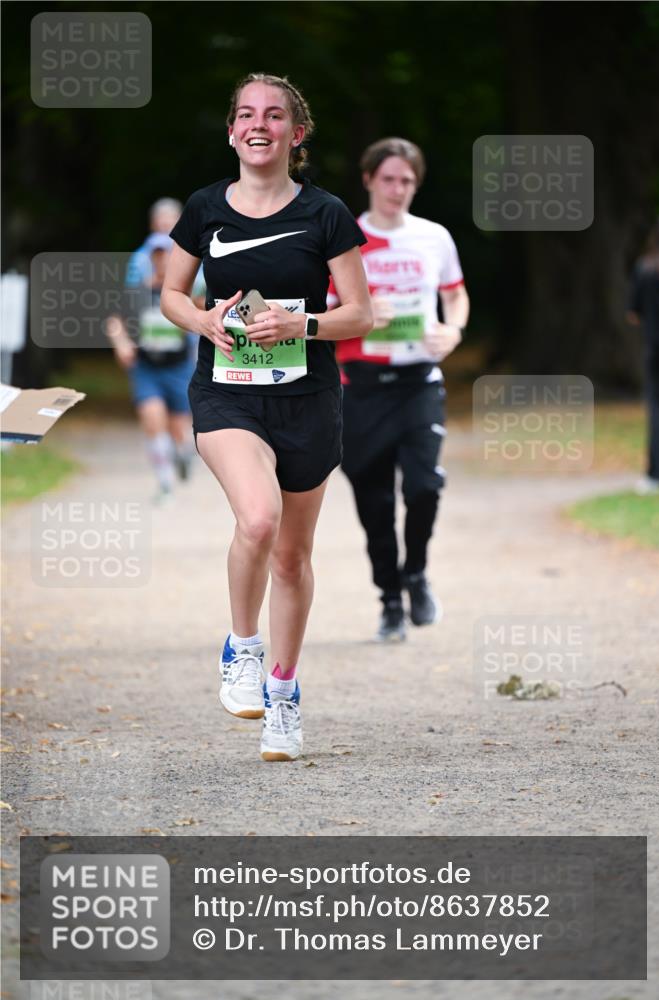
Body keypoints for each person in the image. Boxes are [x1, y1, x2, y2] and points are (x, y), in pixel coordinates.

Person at [161, 73, 372, 761]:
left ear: (295, 133)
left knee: (291, 556)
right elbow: (171, 294)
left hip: (308, 398)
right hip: (226, 392)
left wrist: (301, 323)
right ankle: (241, 650)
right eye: (246, 115)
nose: (260, 124)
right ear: (231, 131)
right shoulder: (202, 209)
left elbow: (359, 313)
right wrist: (201, 318)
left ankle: (283, 693)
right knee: (257, 518)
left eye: (274, 115)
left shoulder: (327, 213)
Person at [330, 138, 469, 642]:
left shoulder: (434, 237)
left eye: (407, 180)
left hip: (418, 381)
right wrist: (360, 315)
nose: (397, 189)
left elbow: (455, 296)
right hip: (360, 387)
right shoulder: (343, 239)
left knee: (425, 486)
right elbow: (321, 315)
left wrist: (452, 331)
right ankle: (389, 598)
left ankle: (417, 573)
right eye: (387, 179)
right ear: (368, 180)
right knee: (375, 504)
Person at [107, 232, 199, 502]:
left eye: (166, 254)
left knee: (179, 427)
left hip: (179, 367)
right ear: (151, 258)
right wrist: (121, 343)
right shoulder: (137, 292)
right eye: (157, 255)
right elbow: (115, 320)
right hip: (146, 368)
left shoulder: (187, 293)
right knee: (152, 418)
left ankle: (183, 453)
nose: (162, 260)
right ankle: (165, 483)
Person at [626, 214, 659, 495]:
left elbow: (633, 315)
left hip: (656, 349)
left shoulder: (645, 269)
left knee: (658, 410)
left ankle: (657, 474)